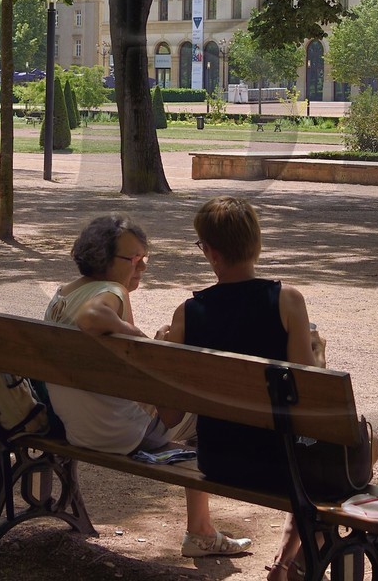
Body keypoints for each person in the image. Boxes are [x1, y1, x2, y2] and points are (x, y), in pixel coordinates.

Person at [44, 216, 251, 560]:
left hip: (76, 427)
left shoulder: (63, 293)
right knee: (211, 412)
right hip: (121, 432)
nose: (142, 267)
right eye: (134, 259)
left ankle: (202, 530)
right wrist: (145, 341)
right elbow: (92, 318)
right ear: (103, 259)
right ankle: (201, 533)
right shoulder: (110, 291)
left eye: (145, 258)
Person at [166, 197, 319, 581]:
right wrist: (319, 354)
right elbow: (306, 394)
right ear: (255, 244)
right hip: (278, 465)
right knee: (359, 450)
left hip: (217, 459)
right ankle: (288, 561)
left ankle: (288, 561)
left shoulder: (188, 312)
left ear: (212, 253)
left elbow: (170, 415)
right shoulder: (287, 301)